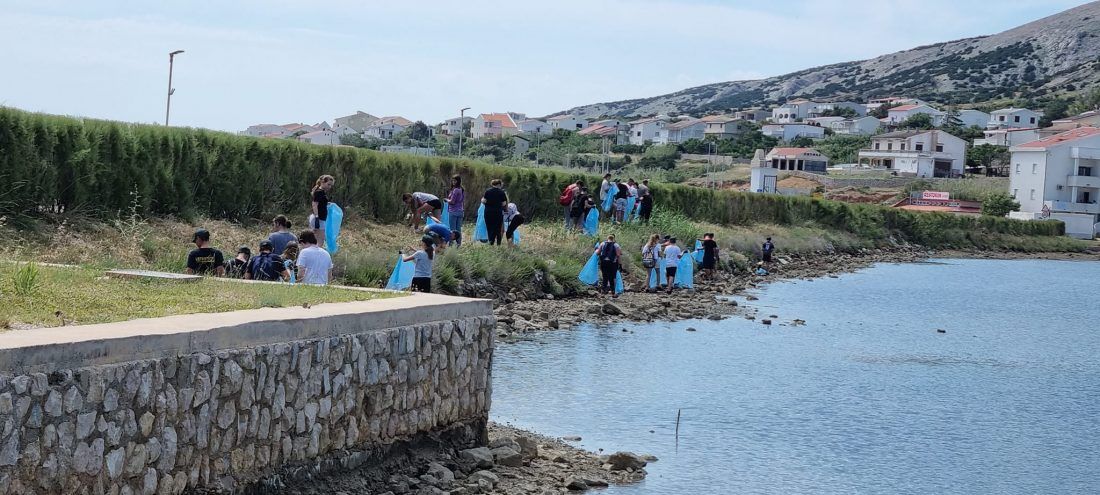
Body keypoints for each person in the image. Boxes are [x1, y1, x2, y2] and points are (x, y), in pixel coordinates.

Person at [481, 179, 508, 245]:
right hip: (498, 212)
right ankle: (498, 243)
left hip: (488, 212)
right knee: (498, 228)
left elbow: (484, 201)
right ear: (499, 184)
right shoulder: (502, 192)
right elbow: (504, 203)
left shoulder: (488, 191)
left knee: (489, 227)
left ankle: (491, 242)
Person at [310, 175, 334, 248]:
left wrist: (327, 204)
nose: (329, 187)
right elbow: (314, 204)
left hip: (321, 218)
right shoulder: (319, 192)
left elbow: (320, 203)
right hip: (319, 218)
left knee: (318, 239)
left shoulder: (322, 192)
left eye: (331, 185)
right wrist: (317, 217)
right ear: (323, 182)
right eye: (328, 184)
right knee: (320, 240)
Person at [444, 175, 465, 246]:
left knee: (452, 230)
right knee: (458, 229)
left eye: (455, 180)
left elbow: (452, 202)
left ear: (458, 181)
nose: (453, 182)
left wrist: (446, 200)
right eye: (452, 180)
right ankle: (459, 244)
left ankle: (451, 244)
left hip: (453, 211)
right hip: (461, 211)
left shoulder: (455, 190)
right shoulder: (462, 189)